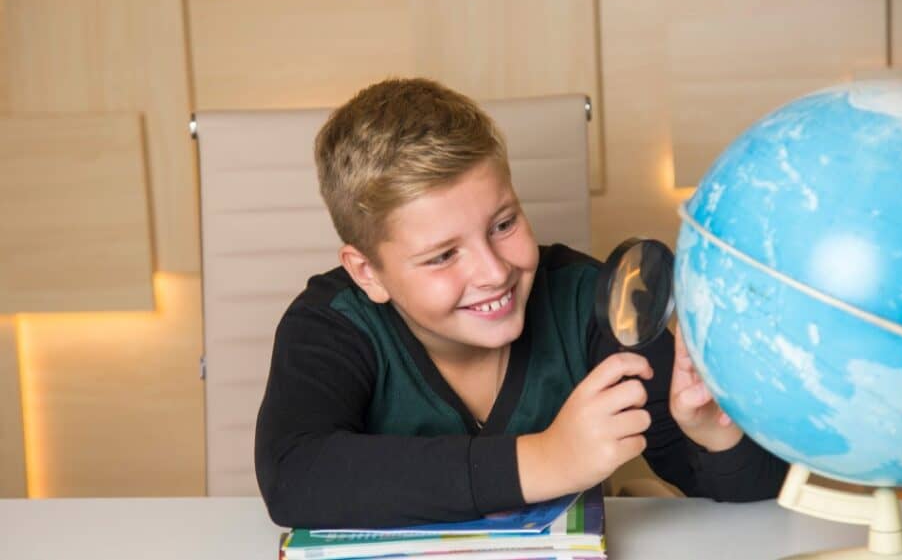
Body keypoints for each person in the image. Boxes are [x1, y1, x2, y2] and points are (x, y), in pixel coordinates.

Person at [254, 77, 788, 529]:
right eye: (443, 256)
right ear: (368, 272)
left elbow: (746, 498)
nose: (494, 272)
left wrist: (716, 438)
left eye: (504, 224)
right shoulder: (331, 324)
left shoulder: (591, 302)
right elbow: (295, 474)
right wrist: (546, 459)